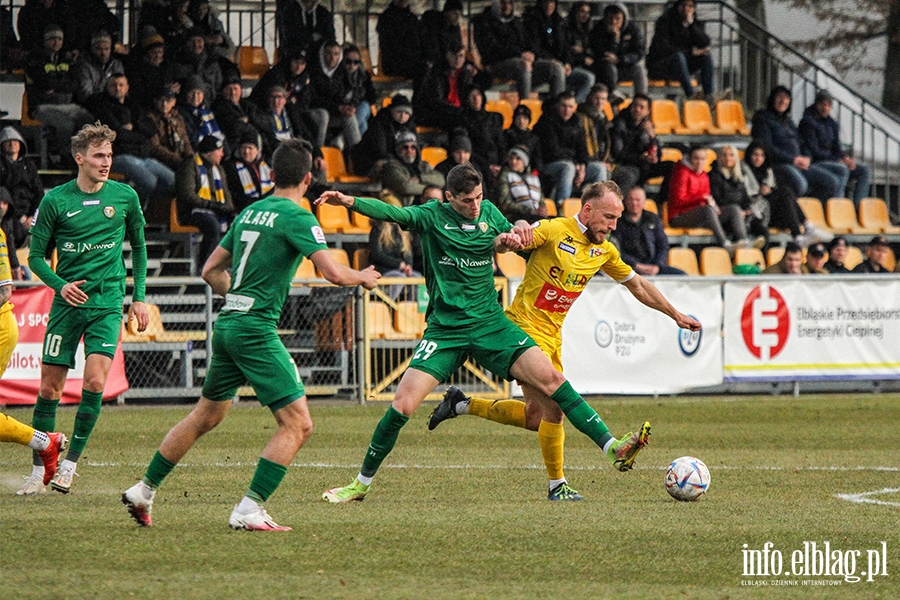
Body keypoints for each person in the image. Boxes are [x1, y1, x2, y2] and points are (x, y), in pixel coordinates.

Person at [317, 167, 679, 504]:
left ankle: (611, 447)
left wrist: (512, 233)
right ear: (449, 198)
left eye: (478, 198)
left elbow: (513, 234)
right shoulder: (431, 216)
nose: (474, 207)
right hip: (446, 330)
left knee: (553, 385)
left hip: (492, 325)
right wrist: (349, 201)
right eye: (466, 201)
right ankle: (359, 485)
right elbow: (392, 214)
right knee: (402, 406)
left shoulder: (489, 211)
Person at [122, 138, 381, 530]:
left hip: (228, 324)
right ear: (309, 178)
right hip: (255, 330)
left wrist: (240, 297)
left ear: (271, 175)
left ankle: (144, 489)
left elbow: (209, 270)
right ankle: (248, 508)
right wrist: (361, 276)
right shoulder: (299, 217)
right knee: (298, 424)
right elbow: (332, 272)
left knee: (204, 416)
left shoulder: (249, 212)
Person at [427, 181, 700, 499]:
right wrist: (517, 232)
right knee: (556, 406)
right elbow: (519, 236)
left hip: (552, 337)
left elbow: (638, 285)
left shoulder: (603, 251)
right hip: (522, 330)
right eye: (609, 217)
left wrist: (675, 314)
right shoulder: (555, 230)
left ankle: (460, 404)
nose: (613, 226)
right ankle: (568, 478)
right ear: (588, 209)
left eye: (616, 219)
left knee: (535, 418)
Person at [18, 122, 149, 496]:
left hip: (107, 303)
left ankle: (70, 465)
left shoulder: (125, 197)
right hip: (67, 304)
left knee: (94, 382)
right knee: (49, 389)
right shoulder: (56, 201)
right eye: (98, 156)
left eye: (108, 155)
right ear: (80, 158)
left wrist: (137, 296)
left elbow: (139, 249)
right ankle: (38, 470)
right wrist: (61, 285)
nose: (105, 162)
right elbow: (37, 258)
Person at [87, 73, 176, 209]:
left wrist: (133, 127)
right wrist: (140, 135)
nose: (117, 88)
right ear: (107, 88)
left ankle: (141, 208)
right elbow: (118, 135)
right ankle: (133, 212)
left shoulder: (134, 106)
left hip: (144, 158)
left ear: (127, 87)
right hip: (120, 157)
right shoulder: (102, 107)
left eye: (121, 85)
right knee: (149, 181)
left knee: (174, 181)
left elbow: (151, 129)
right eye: (113, 85)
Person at [751, 86, 844, 202]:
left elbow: (801, 142)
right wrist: (793, 159)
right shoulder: (763, 119)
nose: (783, 101)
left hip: (798, 163)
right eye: (780, 97)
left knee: (832, 182)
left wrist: (806, 158)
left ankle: (816, 211)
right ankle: (797, 210)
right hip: (779, 164)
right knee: (801, 185)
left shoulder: (788, 121)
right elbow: (766, 147)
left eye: (787, 98)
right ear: (772, 99)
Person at [667, 145, 763, 252]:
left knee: (733, 209)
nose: (700, 162)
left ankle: (744, 241)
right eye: (696, 158)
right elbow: (678, 201)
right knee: (707, 209)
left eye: (703, 159)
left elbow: (707, 198)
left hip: (702, 215)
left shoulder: (704, 175)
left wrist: (714, 207)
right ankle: (725, 244)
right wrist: (701, 199)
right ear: (689, 159)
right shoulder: (682, 173)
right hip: (680, 216)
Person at [24, 25, 95, 162]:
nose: (56, 42)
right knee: (65, 125)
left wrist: (57, 84)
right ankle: (59, 154)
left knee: (87, 118)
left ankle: (82, 154)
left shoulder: (65, 59)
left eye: (59, 39)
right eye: (52, 39)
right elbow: (45, 83)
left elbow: (74, 84)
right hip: (41, 106)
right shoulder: (35, 59)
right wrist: (61, 81)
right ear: (45, 41)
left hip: (65, 104)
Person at [742, 140, 832, 248]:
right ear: (749, 154)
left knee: (786, 197)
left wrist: (769, 191)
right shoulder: (742, 170)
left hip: (770, 211)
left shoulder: (767, 171)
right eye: (755, 154)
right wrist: (760, 193)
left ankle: (801, 234)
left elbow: (772, 190)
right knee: (785, 191)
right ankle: (806, 228)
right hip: (755, 213)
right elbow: (742, 194)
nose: (758, 158)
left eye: (762, 155)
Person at [472, 0, 565, 102]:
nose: (507, 7)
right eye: (503, 3)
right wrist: (519, 54)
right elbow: (492, 49)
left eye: (509, 3)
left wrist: (532, 54)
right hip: (497, 64)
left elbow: (529, 42)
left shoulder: (516, 22)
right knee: (523, 66)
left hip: (523, 62)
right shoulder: (484, 22)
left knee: (556, 68)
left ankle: (558, 107)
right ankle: (524, 110)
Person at [798, 89, 871, 206]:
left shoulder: (832, 123)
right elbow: (814, 150)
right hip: (817, 162)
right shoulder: (808, 122)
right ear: (816, 104)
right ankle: (837, 207)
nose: (825, 108)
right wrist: (838, 160)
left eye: (828, 105)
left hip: (833, 161)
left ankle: (859, 207)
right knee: (842, 168)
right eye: (822, 104)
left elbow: (837, 147)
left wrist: (845, 158)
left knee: (864, 169)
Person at [535, 91, 606, 204]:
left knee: (599, 168)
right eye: (564, 106)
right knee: (568, 167)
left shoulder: (577, 122)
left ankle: (598, 205)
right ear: (557, 105)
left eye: (570, 107)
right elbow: (553, 151)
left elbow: (583, 149)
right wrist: (575, 164)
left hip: (573, 164)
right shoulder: (547, 121)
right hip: (549, 165)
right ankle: (562, 205)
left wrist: (582, 166)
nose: (567, 110)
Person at [176, 135, 235, 265]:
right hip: (192, 212)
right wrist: (211, 205)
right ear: (209, 152)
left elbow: (226, 193)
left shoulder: (219, 169)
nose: (222, 154)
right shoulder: (190, 165)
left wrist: (229, 209)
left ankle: (227, 265)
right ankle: (205, 265)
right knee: (213, 225)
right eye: (219, 150)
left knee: (236, 223)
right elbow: (187, 196)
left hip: (213, 210)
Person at [522, 0, 595, 103]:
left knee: (588, 78)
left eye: (551, 2)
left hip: (560, 64)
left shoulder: (559, 22)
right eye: (546, 2)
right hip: (540, 64)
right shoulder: (531, 20)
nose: (549, 5)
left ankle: (572, 107)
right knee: (557, 69)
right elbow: (534, 47)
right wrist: (551, 60)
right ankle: (559, 107)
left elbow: (565, 47)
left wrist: (567, 63)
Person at [646, 0, 713, 99]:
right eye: (684, 5)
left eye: (690, 6)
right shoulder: (665, 21)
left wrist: (691, 25)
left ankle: (709, 95)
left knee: (706, 57)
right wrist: (690, 53)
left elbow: (704, 43)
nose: (687, 9)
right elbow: (663, 48)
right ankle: (691, 95)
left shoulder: (694, 24)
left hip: (682, 66)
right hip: (661, 65)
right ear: (678, 6)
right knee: (679, 57)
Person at [608, 93, 672, 193]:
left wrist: (652, 137)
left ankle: (662, 201)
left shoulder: (646, 126)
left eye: (641, 107)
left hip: (642, 165)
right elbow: (618, 154)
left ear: (647, 111)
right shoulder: (620, 124)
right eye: (635, 105)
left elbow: (658, 155)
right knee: (634, 173)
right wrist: (641, 158)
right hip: (625, 165)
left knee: (672, 167)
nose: (637, 109)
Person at [615, 186, 685, 275]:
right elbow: (617, 251)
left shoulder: (653, 219)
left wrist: (657, 265)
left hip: (654, 266)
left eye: (638, 200)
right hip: (629, 268)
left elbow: (663, 245)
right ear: (625, 201)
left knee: (682, 276)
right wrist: (636, 266)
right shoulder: (618, 223)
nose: (634, 203)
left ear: (644, 201)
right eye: (631, 200)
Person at [708, 145, 769, 243]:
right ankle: (744, 242)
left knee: (762, 230)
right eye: (724, 155)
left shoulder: (739, 177)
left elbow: (745, 198)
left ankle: (763, 256)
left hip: (742, 214)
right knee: (734, 210)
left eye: (731, 155)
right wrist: (739, 211)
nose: (728, 158)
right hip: (724, 214)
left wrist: (747, 210)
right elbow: (717, 199)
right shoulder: (713, 175)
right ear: (719, 157)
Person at [589, 3, 648, 99]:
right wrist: (614, 40)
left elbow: (639, 52)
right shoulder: (598, 29)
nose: (613, 22)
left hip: (624, 65)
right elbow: (602, 53)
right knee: (609, 66)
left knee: (639, 69)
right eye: (610, 18)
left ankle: (641, 98)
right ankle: (613, 93)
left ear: (623, 19)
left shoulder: (632, 29)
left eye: (617, 19)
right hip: (604, 70)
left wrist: (621, 59)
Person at [309, 41, 362, 149]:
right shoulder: (313, 72)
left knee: (350, 118)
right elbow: (312, 99)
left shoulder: (342, 72)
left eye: (336, 54)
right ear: (322, 54)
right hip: (313, 113)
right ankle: (319, 153)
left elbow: (354, 91)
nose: (332, 57)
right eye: (329, 53)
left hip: (334, 113)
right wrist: (338, 107)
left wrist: (351, 106)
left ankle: (357, 156)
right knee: (323, 115)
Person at [413, 41, 475, 131]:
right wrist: (458, 111)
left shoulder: (466, 73)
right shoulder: (436, 72)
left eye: (461, 56)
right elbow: (435, 102)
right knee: (464, 122)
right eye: (454, 56)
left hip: (456, 112)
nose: (457, 59)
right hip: (435, 113)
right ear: (447, 56)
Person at [350, 93, 416, 177]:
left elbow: (416, 149)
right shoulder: (380, 122)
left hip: (396, 161)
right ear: (392, 111)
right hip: (371, 162)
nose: (402, 116)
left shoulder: (410, 126)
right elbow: (380, 151)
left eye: (406, 113)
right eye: (399, 112)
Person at [380, 131, 446, 207]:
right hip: (405, 208)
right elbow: (406, 187)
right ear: (398, 149)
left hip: (424, 205)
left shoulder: (423, 165)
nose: (409, 150)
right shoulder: (391, 166)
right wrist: (430, 189)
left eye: (413, 147)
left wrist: (420, 179)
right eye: (405, 147)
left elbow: (441, 180)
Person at [141, 87, 195, 171]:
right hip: (161, 161)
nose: (164, 104)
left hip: (179, 159)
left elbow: (185, 140)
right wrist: (177, 159)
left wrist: (191, 158)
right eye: (161, 101)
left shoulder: (177, 118)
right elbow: (155, 147)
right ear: (156, 101)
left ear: (174, 102)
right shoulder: (150, 118)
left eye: (168, 101)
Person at [0, 126, 44, 228]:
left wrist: (33, 216)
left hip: (30, 215)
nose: (12, 144)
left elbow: (38, 192)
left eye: (15, 140)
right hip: (9, 216)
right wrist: (20, 216)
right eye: (8, 141)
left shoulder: (29, 166)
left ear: (21, 144)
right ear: (2, 145)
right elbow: (4, 193)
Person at [369, 219, 423, 301]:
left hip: (402, 270)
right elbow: (377, 255)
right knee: (399, 277)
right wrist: (398, 264)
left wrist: (408, 266)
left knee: (417, 277)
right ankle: (388, 305)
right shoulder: (378, 230)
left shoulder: (404, 232)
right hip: (382, 270)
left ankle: (410, 307)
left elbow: (408, 253)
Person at [223, 127, 274, 213]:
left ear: (257, 150)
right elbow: (236, 195)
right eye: (243, 147)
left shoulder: (267, 163)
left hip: (269, 204)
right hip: (247, 209)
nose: (246, 151)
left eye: (250, 148)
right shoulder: (232, 167)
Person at [494, 145, 547, 222]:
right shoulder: (504, 176)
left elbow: (541, 200)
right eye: (511, 158)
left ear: (525, 162)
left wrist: (542, 209)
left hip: (532, 215)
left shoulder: (532, 177)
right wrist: (529, 211)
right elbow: (505, 204)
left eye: (518, 159)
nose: (513, 161)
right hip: (514, 217)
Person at [377, 0, 426, 80]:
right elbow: (389, 45)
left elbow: (418, 41)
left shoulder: (411, 18)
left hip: (408, 60)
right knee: (424, 71)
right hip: (394, 63)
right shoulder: (387, 17)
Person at [71, 31, 124, 104]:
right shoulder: (85, 66)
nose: (103, 53)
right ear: (92, 50)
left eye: (106, 49)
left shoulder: (116, 64)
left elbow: (121, 88)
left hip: (114, 103)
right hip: (93, 105)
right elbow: (86, 94)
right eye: (99, 49)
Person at [177, 75, 226, 151]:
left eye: (198, 93)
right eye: (192, 93)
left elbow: (219, 134)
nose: (195, 97)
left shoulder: (207, 112)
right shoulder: (182, 112)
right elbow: (192, 138)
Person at [341, 44, 376, 136]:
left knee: (364, 106)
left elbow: (372, 97)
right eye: (348, 61)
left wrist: (356, 104)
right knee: (363, 125)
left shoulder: (364, 76)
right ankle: (360, 149)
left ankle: (341, 138)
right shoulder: (338, 75)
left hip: (359, 108)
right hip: (344, 110)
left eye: (356, 62)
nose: (352, 65)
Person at [503, 104, 542, 171]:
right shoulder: (507, 134)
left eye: (525, 118)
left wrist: (536, 171)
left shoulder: (533, 137)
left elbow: (537, 158)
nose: (521, 121)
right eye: (518, 118)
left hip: (528, 169)